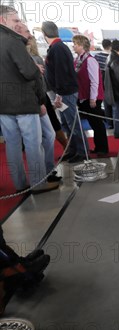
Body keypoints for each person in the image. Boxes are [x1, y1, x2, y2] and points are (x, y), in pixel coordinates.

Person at [0, 6, 58, 194]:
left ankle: (20, 184)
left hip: (3, 103)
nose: (18, 24)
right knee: (33, 143)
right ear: (3, 20)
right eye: (15, 20)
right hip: (23, 101)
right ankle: (38, 183)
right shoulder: (13, 41)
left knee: (12, 144)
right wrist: (35, 69)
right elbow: (28, 72)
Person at [16, 23, 61, 183]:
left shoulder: (25, 52)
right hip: (30, 103)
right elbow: (28, 79)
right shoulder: (18, 51)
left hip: (38, 100)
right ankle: (40, 178)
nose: (30, 34)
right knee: (35, 141)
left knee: (48, 135)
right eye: (27, 31)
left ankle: (47, 171)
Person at [42, 20, 87, 163]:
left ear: (44, 34)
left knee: (73, 124)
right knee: (67, 124)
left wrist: (59, 94)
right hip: (63, 92)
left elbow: (61, 73)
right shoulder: (57, 47)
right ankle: (73, 149)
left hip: (65, 92)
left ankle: (82, 151)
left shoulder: (58, 48)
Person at [72, 34, 108, 155]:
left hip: (92, 97)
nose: (74, 46)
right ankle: (99, 146)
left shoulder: (90, 60)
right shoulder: (78, 60)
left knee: (97, 123)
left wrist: (93, 98)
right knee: (93, 123)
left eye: (76, 44)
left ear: (82, 45)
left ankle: (103, 148)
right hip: (83, 96)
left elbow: (95, 81)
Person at [95, 39, 113, 129]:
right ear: (111, 46)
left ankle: (109, 123)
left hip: (102, 83)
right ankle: (117, 121)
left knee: (106, 103)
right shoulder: (112, 56)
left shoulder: (97, 56)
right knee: (114, 103)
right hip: (112, 83)